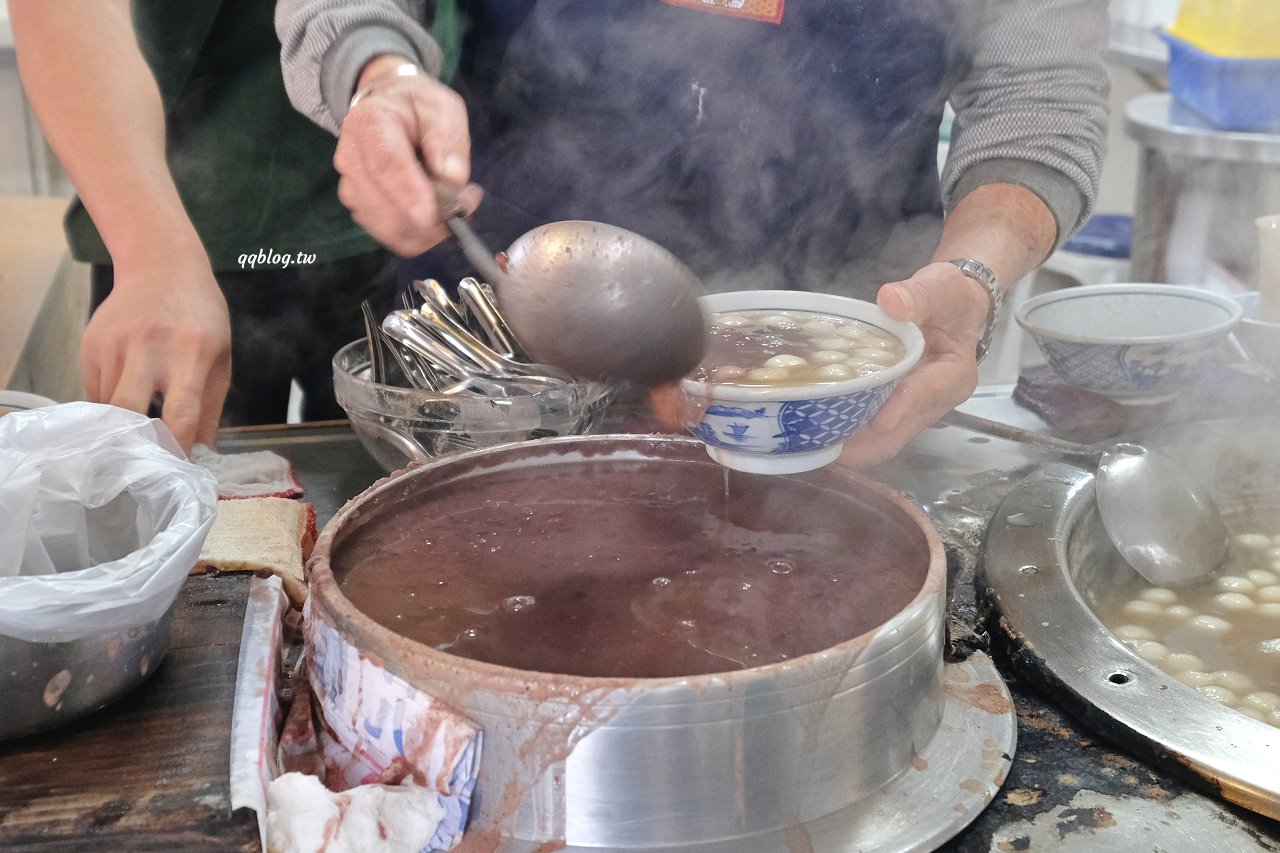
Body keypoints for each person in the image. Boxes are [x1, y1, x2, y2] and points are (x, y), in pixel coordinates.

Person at [275, 0, 1110, 466]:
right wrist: (378, 72)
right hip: (493, 363)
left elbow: (1040, 95)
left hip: (824, 409)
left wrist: (973, 274)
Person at [8, 0, 458, 451]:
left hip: (395, 211)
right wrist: (152, 255)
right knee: (174, 486)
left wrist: (378, 72)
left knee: (402, 486)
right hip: (167, 225)